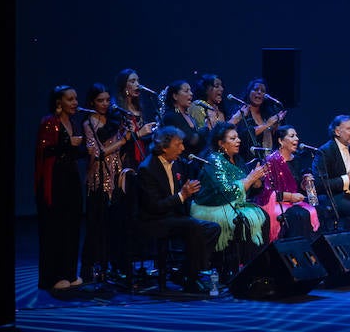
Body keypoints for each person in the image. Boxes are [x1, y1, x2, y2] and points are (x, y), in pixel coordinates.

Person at [135, 125, 220, 294]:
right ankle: (192, 278)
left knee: (213, 228)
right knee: (193, 227)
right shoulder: (147, 169)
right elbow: (154, 206)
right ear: (164, 147)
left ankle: (186, 273)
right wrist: (182, 195)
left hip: (173, 216)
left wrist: (188, 194)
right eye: (178, 144)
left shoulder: (176, 163)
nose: (182, 148)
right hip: (154, 220)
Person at [190, 122, 270, 275]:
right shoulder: (214, 160)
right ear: (221, 143)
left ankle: (258, 269)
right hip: (213, 207)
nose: (238, 140)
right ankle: (238, 270)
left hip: (234, 203)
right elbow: (224, 192)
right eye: (233, 138)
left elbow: (248, 191)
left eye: (238, 137)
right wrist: (249, 180)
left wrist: (256, 182)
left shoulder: (238, 160)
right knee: (244, 221)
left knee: (263, 216)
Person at [80, 83, 137, 285]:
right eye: (100, 101)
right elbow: (97, 153)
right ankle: (91, 267)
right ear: (91, 102)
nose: (104, 104)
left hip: (116, 178)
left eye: (107, 100)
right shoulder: (89, 123)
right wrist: (122, 141)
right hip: (98, 179)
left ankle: (114, 266)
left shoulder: (114, 119)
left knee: (116, 225)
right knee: (97, 225)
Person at [34, 85, 88, 290]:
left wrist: (85, 150)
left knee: (72, 226)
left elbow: (72, 153)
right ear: (59, 102)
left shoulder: (72, 122)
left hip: (71, 179)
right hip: (55, 181)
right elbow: (45, 151)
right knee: (56, 228)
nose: (75, 102)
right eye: (70, 99)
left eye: (76, 99)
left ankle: (69, 273)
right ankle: (53, 276)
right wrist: (69, 145)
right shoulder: (50, 123)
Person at [253, 124, 321, 241]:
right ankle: (296, 252)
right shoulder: (272, 161)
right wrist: (290, 197)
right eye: (292, 136)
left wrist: (304, 183)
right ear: (280, 141)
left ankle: (309, 251)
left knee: (317, 209)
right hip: (276, 202)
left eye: (296, 136)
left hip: (295, 201)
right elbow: (267, 193)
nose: (297, 139)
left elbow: (297, 186)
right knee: (298, 215)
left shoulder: (297, 159)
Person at [188, 74, 249, 152]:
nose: (222, 89)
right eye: (216, 86)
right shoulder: (198, 106)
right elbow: (206, 137)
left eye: (222, 86)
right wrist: (234, 119)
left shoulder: (220, 110)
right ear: (206, 89)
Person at [113, 68, 159, 166]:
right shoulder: (118, 110)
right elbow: (120, 142)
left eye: (138, 81)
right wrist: (139, 133)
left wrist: (153, 133)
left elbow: (141, 140)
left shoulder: (138, 108)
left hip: (141, 157)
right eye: (132, 81)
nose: (137, 84)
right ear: (124, 86)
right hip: (126, 160)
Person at [158, 79, 204, 175]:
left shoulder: (189, 116)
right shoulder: (171, 116)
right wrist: (207, 129)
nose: (191, 94)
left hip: (196, 165)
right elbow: (191, 139)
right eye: (186, 91)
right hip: (182, 168)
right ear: (175, 96)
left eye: (190, 90)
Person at [238, 78, 287, 154]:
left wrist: (275, 126)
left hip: (267, 158)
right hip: (247, 157)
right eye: (256, 89)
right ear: (248, 92)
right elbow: (244, 136)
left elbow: (275, 137)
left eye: (263, 91)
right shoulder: (241, 112)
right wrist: (267, 124)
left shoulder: (267, 114)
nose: (259, 92)